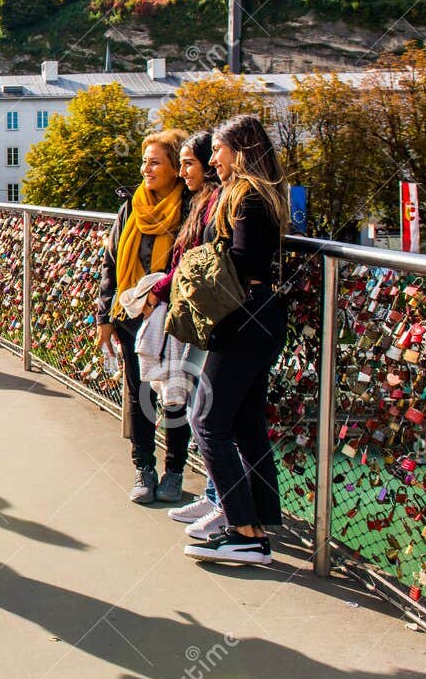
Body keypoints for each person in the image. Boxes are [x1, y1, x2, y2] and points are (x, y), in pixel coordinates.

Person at [184, 115, 289, 566]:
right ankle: (258, 524)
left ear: (239, 151)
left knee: (206, 419)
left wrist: (198, 263)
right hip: (259, 318)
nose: (213, 159)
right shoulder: (258, 194)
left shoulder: (247, 196)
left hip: (244, 320)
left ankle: (243, 531)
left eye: (219, 151)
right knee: (245, 424)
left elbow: (246, 260)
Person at [96, 130, 189, 505]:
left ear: (174, 169)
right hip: (132, 314)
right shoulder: (131, 207)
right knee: (139, 394)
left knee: (174, 395)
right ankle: (143, 467)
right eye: (144, 161)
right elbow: (111, 263)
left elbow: (191, 265)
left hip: (173, 317)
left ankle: (176, 470)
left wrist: (159, 296)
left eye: (155, 162)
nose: (146, 169)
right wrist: (105, 316)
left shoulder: (190, 207)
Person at [157, 132, 226, 540]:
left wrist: (161, 289)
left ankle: (224, 503)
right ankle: (216, 496)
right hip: (201, 318)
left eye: (188, 164)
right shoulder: (204, 202)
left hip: (214, 320)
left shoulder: (216, 205)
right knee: (206, 409)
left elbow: (197, 264)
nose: (183, 173)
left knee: (213, 413)